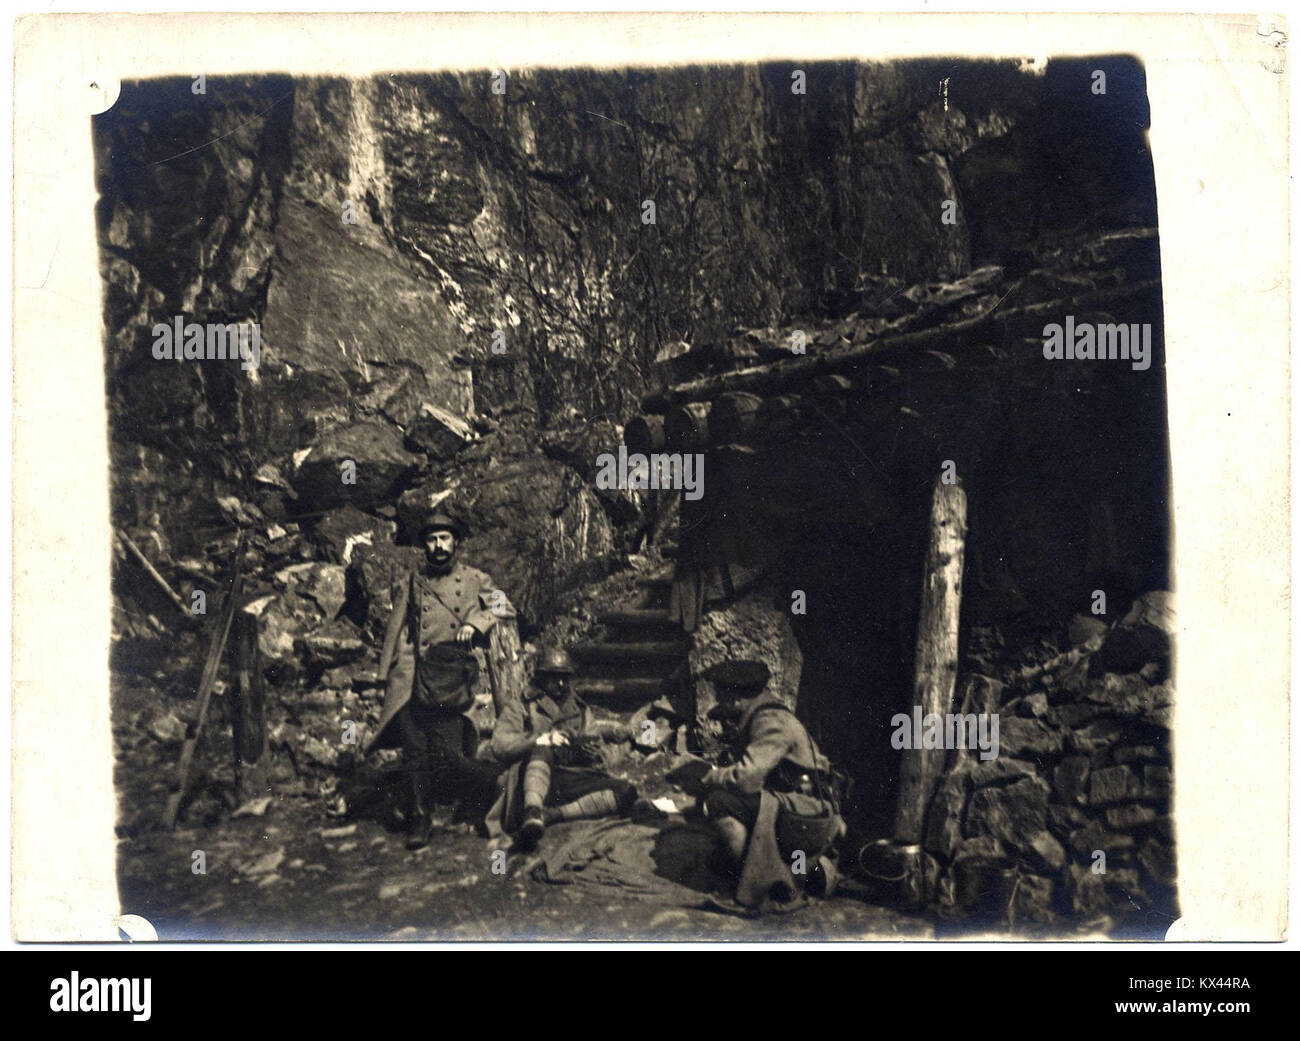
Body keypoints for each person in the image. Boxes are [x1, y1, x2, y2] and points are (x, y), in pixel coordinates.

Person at [364, 510, 509, 850]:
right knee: (414, 751)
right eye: (431, 540)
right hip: (414, 678)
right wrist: (384, 674)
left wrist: (477, 622)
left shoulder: (475, 579)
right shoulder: (412, 582)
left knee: (449, 754)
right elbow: (394, 628)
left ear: (455, 542)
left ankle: (501, 784)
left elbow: (504, 607)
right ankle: (419, 819)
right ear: (424, 546)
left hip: (451, 678)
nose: (438, 546)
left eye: (444, 538)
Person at [672, 659, 846, 901]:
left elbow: (746, 780)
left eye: (721, 697)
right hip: (790, 804)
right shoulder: (761, 717)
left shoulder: (771, 722)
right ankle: (773, 870)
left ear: (735, 699)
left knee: (719, 802)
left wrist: (708, 777)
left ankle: (754, 881)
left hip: (807, 813)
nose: (720, 705)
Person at [487, 647, 637, 850]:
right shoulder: (521, 705)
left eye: (565, 678)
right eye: (554, 678)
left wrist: (593, 753)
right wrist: (540, 739)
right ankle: (532, 811)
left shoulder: (580, 709)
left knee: (626, 792)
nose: (560, 684)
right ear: (540, 677)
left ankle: (550, 816)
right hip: (532, 780)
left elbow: (598, 745)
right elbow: (500, 744)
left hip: (570, 776)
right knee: (543, 749)